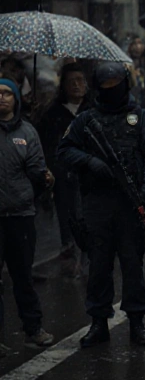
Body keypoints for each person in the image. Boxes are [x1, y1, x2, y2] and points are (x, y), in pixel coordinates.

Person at [57, 63, 145, 348]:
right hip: (97, 203)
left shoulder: (139, 118)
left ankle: (137, 322)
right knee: (99, 265)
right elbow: (64, 150)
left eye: (116, 83)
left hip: (130, 203)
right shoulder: (86, 121)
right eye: (106, 85)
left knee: (132, 264)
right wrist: (90, 162)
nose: (111, 90)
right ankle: (98, 322)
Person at [0, 78, 55, 349]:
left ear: (16, 99)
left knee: (23, 275)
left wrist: (43, 179)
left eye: (7, 93)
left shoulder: (28, 132)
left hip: (20, 215)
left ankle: (33, 328)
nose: (2, 98)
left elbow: (37, 168)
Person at [37, 63, 89, 270]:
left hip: (92, 175)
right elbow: (47, 146)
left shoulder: (95, 110)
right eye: (71, 82)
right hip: (65, 176)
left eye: (80, 81)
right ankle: (70, 257)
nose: (76, 86)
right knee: (68, 216)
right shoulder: (53, 115)